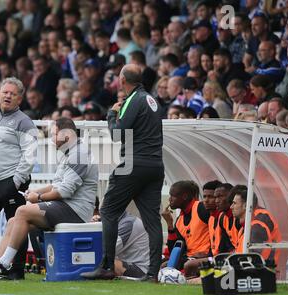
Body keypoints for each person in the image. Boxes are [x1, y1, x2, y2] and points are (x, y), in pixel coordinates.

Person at [0, 118, 98, 281]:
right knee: (14, 220)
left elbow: (64, 192)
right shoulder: (72, 153)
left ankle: (4, 264)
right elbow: (56, 185)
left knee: (22, 211)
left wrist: (38, 197)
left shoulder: (79, 154)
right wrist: (34, 192)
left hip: (75, 211)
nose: (51, 139)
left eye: (54, 134)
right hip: (65, 207)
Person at [81, 64, 164, 282]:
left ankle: (107, 266)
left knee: (108, 210)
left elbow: (118, 134)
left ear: (122, 81)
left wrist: (111, 114)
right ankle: (153, 274)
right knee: (152, 221)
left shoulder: (131, 100)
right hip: (155, 165)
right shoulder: (152, 101)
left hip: (134, 164)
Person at [0, 77, 38, 280]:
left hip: (10, 180)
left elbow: (30, 154)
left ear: (19, 98)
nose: (7, 96)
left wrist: (16, 181)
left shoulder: (24, 121)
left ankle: (17, 270)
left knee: (17, 223)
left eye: (12, 93)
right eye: (5, 92)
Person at [161, 181, 211, 278]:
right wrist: (170, 224)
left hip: (205, 257)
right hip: (189, 258)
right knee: (164, 266)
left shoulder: (201, 207)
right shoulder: (179, 220)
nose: (170, 199)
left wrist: (208, 253)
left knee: (187, 266)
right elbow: (174, 250)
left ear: (184, 196)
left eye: (173, 196)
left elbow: (217, 231)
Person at [92, 209, 150, 279]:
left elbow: (108, 250)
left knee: (105, 260)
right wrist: (97, 225)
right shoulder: (121, 220)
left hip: (141, 269)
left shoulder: (127, 224)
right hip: (130, 263)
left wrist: (95, 228)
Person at [230, 189, 282, 266]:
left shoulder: (257, 227)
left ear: (245, 206)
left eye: (234, 203)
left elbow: (252, 260)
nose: (231, 207)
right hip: (249, 275)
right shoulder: (244, 228)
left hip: (258, 275)